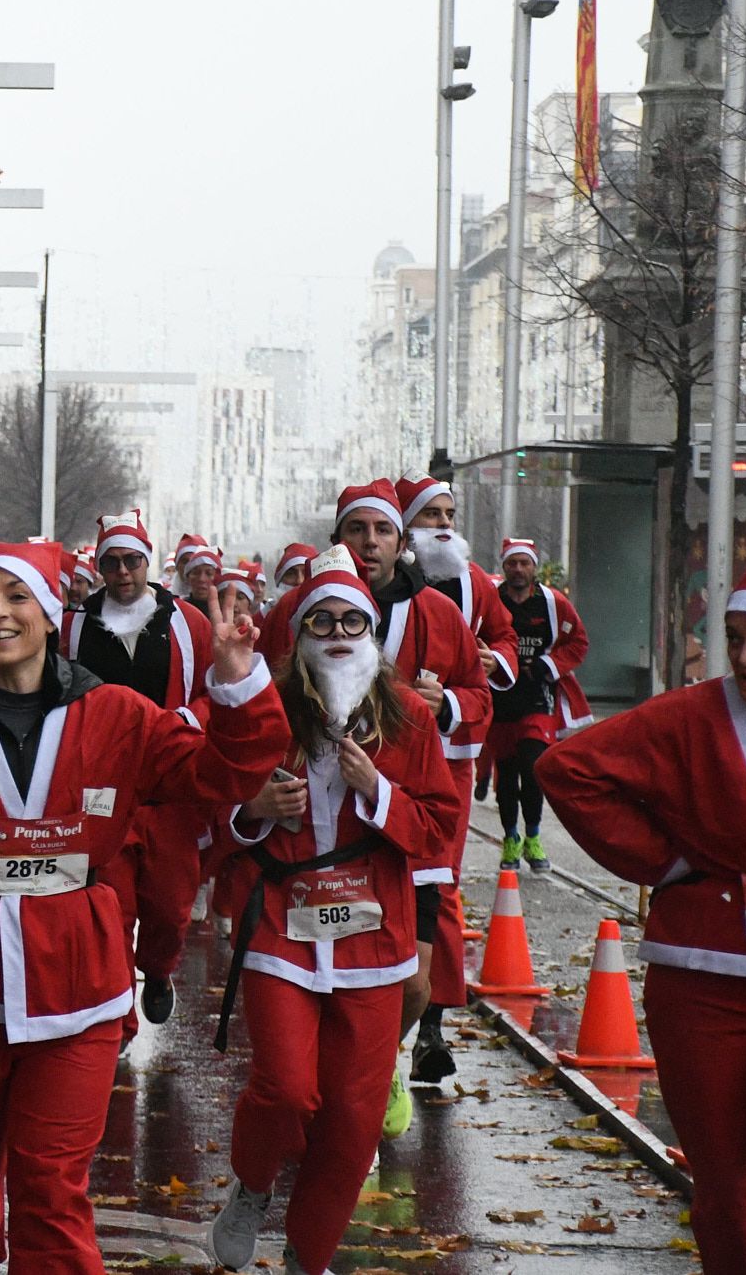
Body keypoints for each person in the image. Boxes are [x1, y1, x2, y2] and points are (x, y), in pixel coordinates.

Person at [0, 540, 287, 1275]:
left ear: (51, 615)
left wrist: (238, 689)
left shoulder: (118, 714)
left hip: (79, 987)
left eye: (17, 597)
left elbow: (224, 772)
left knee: (50, 1184)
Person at [537, 552, 746, 1275]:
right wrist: (672, 862)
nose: (742, 656)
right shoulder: (689, 718)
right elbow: (566, 770)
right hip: (707, 980)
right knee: (728, 1181)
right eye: (733, 636)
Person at [206, 546, 459, 1275]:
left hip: (374, 940)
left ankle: (307, 1257)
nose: (341, 630)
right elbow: (204, 804)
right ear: (301, 631)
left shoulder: (407, 714)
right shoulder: (265, 710)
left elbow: (440, 828)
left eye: (354, 618)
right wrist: (251, 812)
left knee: (351, 1122)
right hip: (280, 927)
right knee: (286, 1087)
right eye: (324, 618)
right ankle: (253, 1183)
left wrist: (379, 791)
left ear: (372, 630)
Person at [259, 478, 490, 1134]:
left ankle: (380, 1056)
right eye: (356, 529)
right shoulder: (300, 609)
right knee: (327, 975)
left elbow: (479, 692)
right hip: (321, 837)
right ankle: (341, 1079)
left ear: (401, 540)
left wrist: (443, 701)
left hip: (408, 818)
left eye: (381, 530)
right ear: (340, 538)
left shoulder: (439, 614)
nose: (369, 541)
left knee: (414, 984)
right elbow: (264, 699)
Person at [58, 509, 214, 1029]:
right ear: (100, 567)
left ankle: (159, 968)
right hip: (103, 793)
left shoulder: (188, 624)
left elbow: (219, 694)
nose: (122, 573)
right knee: (111, 909)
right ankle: (118, 1019)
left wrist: (187, 720)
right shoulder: (74, 630)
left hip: (171, 790)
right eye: (112, 563)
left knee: (170, 909)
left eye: (132, 562)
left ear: (148, 563)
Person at [391, 469, 518, 1083]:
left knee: (436, 883)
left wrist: (482, 674)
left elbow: (503, 640)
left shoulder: (472, 584)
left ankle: (432, 1021)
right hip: (368, 762)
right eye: (430, 515)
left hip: (452, 756)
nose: (443, 525)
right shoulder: (363, 591)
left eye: (448, 513)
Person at [490, 537, 591, 872]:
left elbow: (578, 641)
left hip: (537, 698)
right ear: (504, 566)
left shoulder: (552, 603)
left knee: (533, 769)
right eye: (512, 563)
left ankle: (533, 837)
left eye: (524, 563)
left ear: (534, 567)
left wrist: (548, 667)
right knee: (505, 774)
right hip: (499, 700)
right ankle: (510, 838)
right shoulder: (491, 600)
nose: (518, 570)